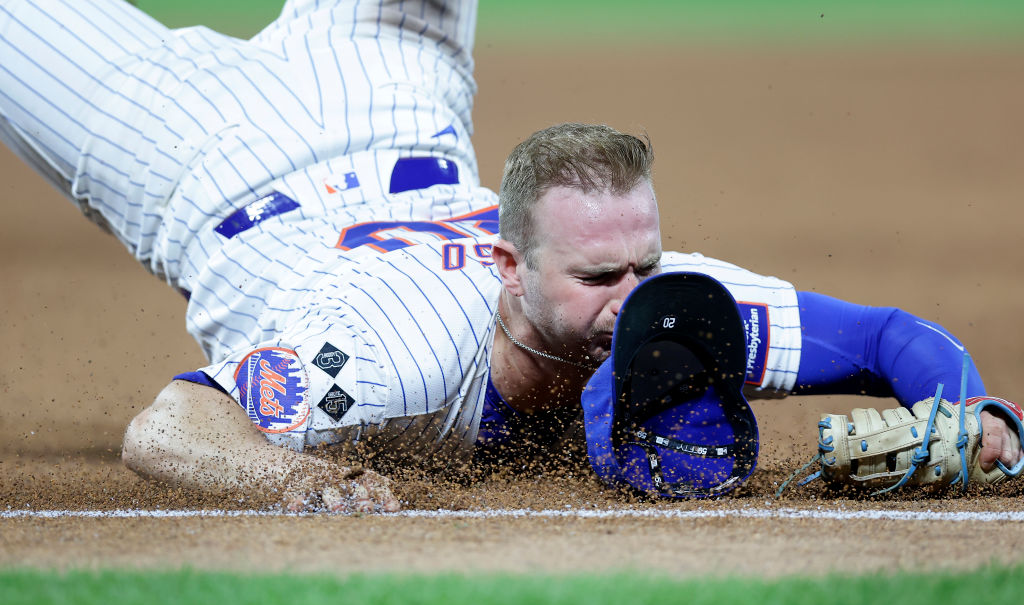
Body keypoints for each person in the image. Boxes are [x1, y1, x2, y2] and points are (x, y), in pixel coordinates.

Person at [1, 0, 1019, 512]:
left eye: (641, 271)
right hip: (216, 148)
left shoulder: (670, 310)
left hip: (319, 98)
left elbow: (894, 337)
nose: (633, 302)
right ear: (508, 266)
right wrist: (296, 483)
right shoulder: (393, 354)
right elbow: (171, 423)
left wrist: (977, 419)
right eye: (597, 278)